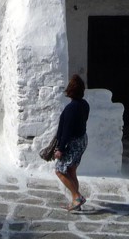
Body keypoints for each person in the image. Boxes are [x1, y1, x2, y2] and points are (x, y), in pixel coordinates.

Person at [52, 73, 90, 212]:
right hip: (82, 140)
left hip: (73, 143)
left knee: (59, 171)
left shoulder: (71, 109)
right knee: (71, 170)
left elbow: (67, 131)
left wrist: (60, 149)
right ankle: (75, 202)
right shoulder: (84, 104)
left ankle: (77, 196)